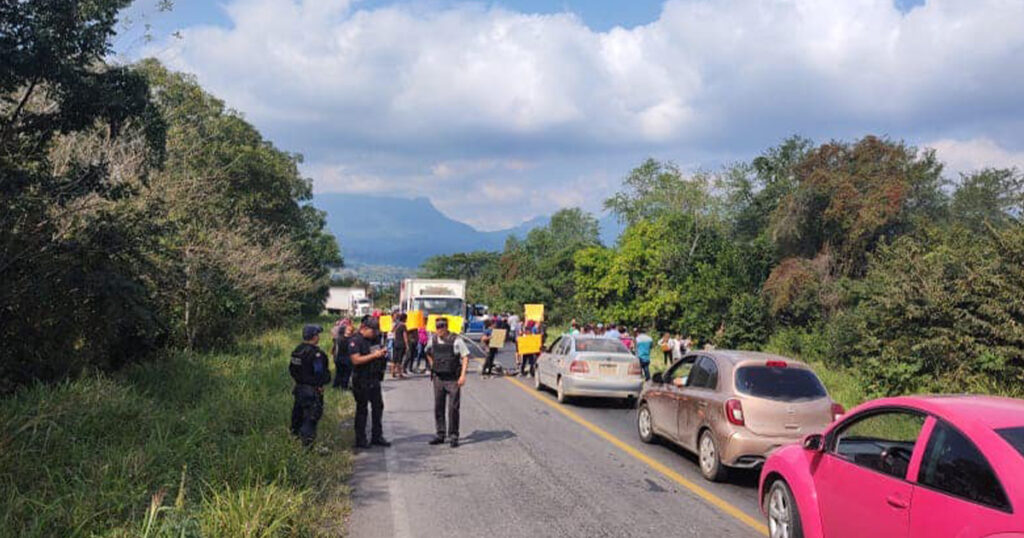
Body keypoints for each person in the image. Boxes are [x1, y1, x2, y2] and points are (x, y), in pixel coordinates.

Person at [426, 317, 470, 447]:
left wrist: (463, 376)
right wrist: (432, 365)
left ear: (446, 327)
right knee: (438, 407)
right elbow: (427, 352)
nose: (439, 329)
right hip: (438, 378)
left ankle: (454, 435)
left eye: (441, 326)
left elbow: (465, 356)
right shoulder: (433, 339)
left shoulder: (456, 340)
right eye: (437, 327)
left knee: (453, 408)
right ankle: (440, 434)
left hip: (452, 379)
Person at [349, 316, 391, 449]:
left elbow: (378, 351)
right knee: (362, 409)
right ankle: (360, 439)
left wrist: (383, 354)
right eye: (373, 330)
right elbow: (355, 360)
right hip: (361, 379)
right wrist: (374, 356)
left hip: (374, 378)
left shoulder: (375, 339)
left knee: (378, 407)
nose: (376, 333)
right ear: (364, 328)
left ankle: (377, 436)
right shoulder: (355, 341)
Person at [289, 324, 331, 447]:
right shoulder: (316, 354)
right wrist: (320, 384)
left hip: (299, 388)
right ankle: (307, 448)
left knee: (297, 416)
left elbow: (292, 370)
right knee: (310, 418)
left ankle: (294, 442)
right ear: (314, 336)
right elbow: (319, 373)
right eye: (317, 334)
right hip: (312, 391)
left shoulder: (297, 351)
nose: (318, 337)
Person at [332, 322, 354, 389]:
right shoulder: (348, 339)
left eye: (350, 330)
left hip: (343, 358)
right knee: (343, 373)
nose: (349, 331)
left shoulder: (339, 338)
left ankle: (338, 386)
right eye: (348, 330)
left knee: (342, 373)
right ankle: (342, 386)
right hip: (343, 358)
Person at [392, 313, 409, 378]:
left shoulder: (397, 324)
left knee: (394, 358)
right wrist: (407, 345)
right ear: (404, 319)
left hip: (395, 342)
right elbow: (405, 336)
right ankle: (399, 374)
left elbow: (392, 330)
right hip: (401, 344)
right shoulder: (403, 326)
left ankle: (393, 372)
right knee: (399, 359)